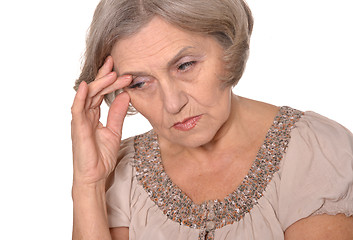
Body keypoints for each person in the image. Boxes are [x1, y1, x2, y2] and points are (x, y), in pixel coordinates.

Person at [70, 0, 353, 239]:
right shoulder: (122, 174)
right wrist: (88, 183)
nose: (172, 103)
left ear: (229, 47)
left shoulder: (313, 151)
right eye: (141, 83)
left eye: (185, 65)